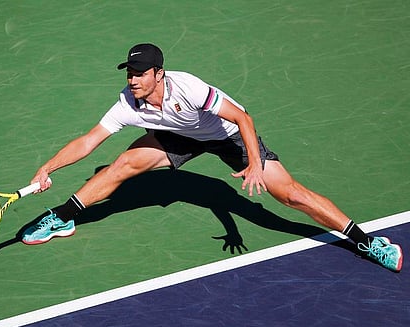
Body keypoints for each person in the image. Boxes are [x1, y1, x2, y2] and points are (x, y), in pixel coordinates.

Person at [22, 43, 403, 272]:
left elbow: (242, 117)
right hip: (179, 136)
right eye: (130, 72)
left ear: (159, 73)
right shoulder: (129, 101)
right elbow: (90, 141)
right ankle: (63, 218)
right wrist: (48, 167)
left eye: (140, 73)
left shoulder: (187, 87)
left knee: (289, 195)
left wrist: (254, 164)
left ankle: (367, 241)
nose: (133, 79)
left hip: (230, 137)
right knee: (122, 164)